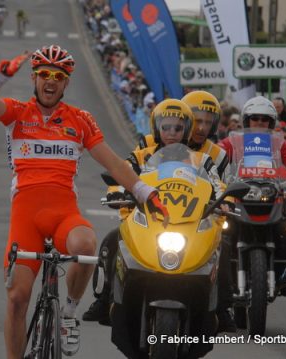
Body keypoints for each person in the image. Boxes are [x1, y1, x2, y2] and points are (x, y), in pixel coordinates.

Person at [0, 44, 168, 358]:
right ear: (35, 79)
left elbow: (116, 165)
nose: (51, 81)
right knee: (17, 299)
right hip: (27, 218)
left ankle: (68, 314)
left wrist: (147, 194)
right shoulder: (18, 113)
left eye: (59, 76)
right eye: (45, 75)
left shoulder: (80, 120)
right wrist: (0, 75)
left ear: (66, 83)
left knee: (86, 245)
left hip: (64, 214)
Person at [83, 95, 229, 326]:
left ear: (187, 130)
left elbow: (217, 183)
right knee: (112, 241)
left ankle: (223, 308)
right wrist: (116, 190)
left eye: (178, 128)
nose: (172, 133)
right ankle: (103, 299)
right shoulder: (142, 154)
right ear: (156, 128)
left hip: (187, 219)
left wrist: (224, 199)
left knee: (222, 246)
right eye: (166, 127)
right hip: (147, 219)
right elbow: (123, 172)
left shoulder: (201, 160)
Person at [218, 96, 286, 297]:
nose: (259, 122)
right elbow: (216, 156)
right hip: (239, 194)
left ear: (272, 122)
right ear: (246, 120)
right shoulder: (233, 141)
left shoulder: (280, 143)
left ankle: (285, 272)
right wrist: (207, 168)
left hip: (273, 193)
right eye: (255, 118)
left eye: (264, 119)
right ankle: (218, 271)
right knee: (220, 226)